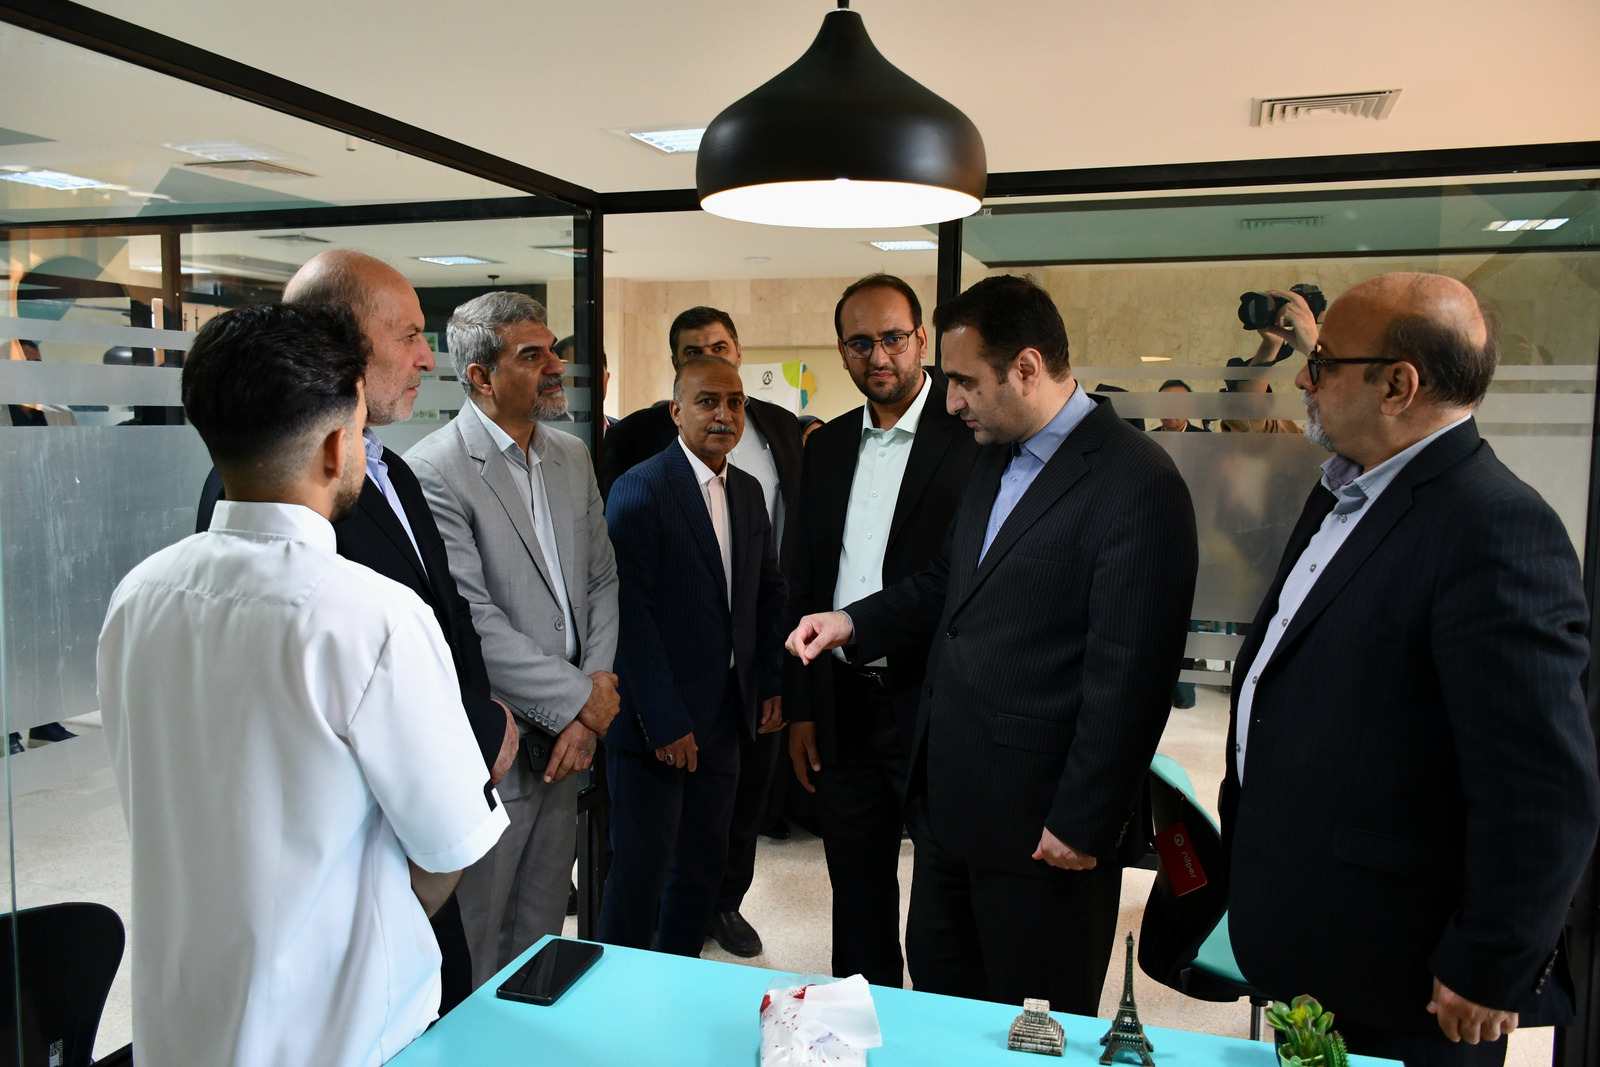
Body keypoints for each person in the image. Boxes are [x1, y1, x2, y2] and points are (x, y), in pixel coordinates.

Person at [99, 303, 508, 1067]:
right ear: (334, 444)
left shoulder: (139, 595)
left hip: (183, 1026)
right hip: (341, 1036)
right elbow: (447, 848)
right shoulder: (373, 616)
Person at [787, 275, 1198, 1014]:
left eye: (965, 382)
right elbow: (946, 581)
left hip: (1043, 829)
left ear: (1028, 368)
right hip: (952, 810)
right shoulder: (995, 453)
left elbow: (1131, 678)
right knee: (945, 1009)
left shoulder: (1137, 481)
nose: (950, 402)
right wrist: (853, 622)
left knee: (1030, 1025)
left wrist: (1083, 819)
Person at [1224, 272, 1600, 1067]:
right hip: (1316, 941)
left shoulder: (1495, 527)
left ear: (1398, 385)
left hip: (1406, 978)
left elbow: (1542, 785)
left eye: (1322, 361)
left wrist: (1489, 960)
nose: (1304, 380)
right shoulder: (1346, 490)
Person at [195, 250, 519, 1013]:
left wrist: (484, 722)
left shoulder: (392, 469)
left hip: (430, 803)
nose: (426, 357)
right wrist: (468, 746)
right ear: (339, 343)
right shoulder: (267, 494)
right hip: (360, 865)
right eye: (407, 335)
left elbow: (450, 616)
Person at [406, 292, 621, 989]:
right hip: (500, 746)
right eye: (533, 355)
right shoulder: (434, 469)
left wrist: (592, 696)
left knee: (540, 936)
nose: (556, 366)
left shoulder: (571, 456)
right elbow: (472, 622)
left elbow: (601, 581)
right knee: (479, 937)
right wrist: (582, 701)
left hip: (569, 746)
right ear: (480, 376)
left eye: (552, 349)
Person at [785, 274, 978, 989]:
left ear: (921, 339)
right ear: (841, 350)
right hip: (843, 701)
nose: (879, 356)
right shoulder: (827, 445)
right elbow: (804, 578)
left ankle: (935, 1025)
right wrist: (803, 707)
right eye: (860, 343)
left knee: (942, 905)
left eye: (893, 337)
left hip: (933, 697)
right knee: (857, 893)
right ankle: (861, 1022)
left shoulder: (970, 436)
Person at [602, 306, 801, 957]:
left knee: (702, 868)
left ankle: (680, 979)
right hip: (656, 724)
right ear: (676, 411)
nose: (724, 415)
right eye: (708, 402)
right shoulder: (640, 490)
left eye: (735, 402)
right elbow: (631, 616)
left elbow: (768, 593)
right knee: (639, 875)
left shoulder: (746, 492)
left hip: (726, 717)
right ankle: (620, 993)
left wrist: (770, 682)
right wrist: (664, 721)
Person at [1219, 287, 1320, 434]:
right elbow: (1247, 424)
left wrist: (1315, 353)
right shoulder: (1301, 442)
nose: (1301, 380)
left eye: (1336, 360)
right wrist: (1271, 346)